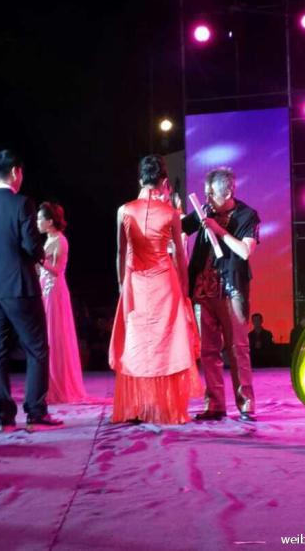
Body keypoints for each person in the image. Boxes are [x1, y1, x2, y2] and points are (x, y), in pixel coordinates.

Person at [109, 155, 202, 424]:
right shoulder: (171, 213)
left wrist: (121, 284)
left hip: (135, 283)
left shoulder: (124, 210)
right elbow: (180, 256)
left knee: (137, 342)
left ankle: (139, 406)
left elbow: (121, 252)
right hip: (165, 282)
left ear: (140, 179)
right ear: (163, 182)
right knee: (167, 343)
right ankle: (167, 407)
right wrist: (184, 288)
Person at [182, 167, 260, 422]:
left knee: (238, 349)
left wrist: (219, 230)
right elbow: (179, 227)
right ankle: (215, 404)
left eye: (211, 194)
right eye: (206, 193)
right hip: (203, 290)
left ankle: (246, 404)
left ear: (227, 193)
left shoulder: (247, 215)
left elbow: (245, 251)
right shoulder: (205, 210)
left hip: (231, 289)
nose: (207, 198)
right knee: (208, 351)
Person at [0, 150, 62, 431]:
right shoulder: (22, 203)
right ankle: (35, 411)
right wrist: (40, 256)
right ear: (15, 172)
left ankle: (4, 417)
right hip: (20, 286)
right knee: (37, 349)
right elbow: (31, 246)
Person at [37, 202, 87, 403]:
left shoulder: (60, 240)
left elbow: (57, 270)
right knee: (47, 336)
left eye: (40, 218)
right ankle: (47, 383)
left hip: (54, 292)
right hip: (45, 289)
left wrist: (40, 260)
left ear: (50, 221)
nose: (37, 222)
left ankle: (59, 385)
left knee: (54, 335)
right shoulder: (49, 239)